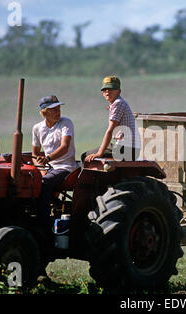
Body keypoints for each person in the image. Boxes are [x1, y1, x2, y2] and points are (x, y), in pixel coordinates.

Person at [32, 95, 77, 227]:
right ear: (44, 113)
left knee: (44, 183)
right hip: (47, 168)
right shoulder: (37, 128)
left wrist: (48, 158)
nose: (58, 112)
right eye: (54, 109)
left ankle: (43, 224)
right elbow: (35, 154)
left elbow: (65, 147)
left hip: (65, 167)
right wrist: (41, 170)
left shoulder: (66, 123)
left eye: (58, 108)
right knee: (31, 182)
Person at [82, 75, 141, 163]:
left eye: (111, 89)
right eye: (105, 89)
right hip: (127, 148)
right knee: (97, 152)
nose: (107, 91)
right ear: (102, 92)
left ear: (119, 91)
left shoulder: (118, 103)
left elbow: (110, 130)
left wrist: (99, 153)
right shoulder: (117, 103)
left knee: (85, 156)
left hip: (127, 149)